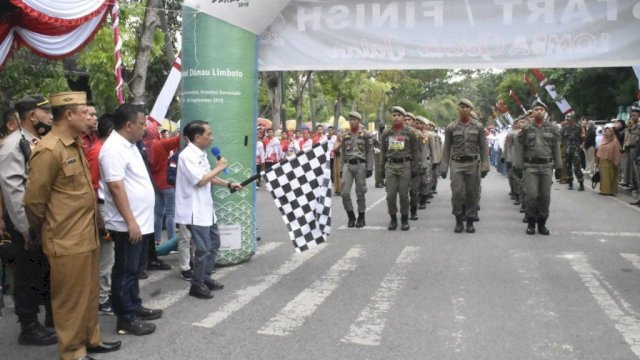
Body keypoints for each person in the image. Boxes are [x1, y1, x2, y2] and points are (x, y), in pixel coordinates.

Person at [24, 91, 121, 360]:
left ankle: (91, 338)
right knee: (69, 300)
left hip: (86, 234)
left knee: (88, 294)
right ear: (68, 115)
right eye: (84, 112)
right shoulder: (49, 150)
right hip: (65, 239)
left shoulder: (74, 144)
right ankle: (72, 352)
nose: (90, 118)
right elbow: (34, 202)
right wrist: (47, 230)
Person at [99, 103, 162, 336]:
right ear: (128, 125)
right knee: (125, 270)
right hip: (128, 224)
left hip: (140, 222)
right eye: (141, 124)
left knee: (134, 269)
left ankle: (134, 305)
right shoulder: (113, 149)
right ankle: (125, 318)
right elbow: (115, 187)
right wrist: (131, 221)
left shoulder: (130, 144)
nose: (144, 128)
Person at [0, 94, 56, 346]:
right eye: (47, 112)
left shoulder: (36, 141)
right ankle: (29, 327)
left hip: (39, 220)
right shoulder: (13, 145)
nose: (51, 117)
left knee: (41, 271)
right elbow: (14, 190)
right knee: (27, 274)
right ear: (33, 116)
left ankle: (42, 322)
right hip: (24, 223)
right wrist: (25, 228)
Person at [175, 120, 241, 299]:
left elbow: (208, 177)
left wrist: (228, 183)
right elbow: (200, 180)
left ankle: (205, 277)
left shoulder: (201, 154)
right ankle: (196, 285)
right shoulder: (186, 155)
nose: (211, 138)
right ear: (197, 137)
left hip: (206, 207)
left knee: (214, 243)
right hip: (194, 210)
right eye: (208, 134)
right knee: (203, 248)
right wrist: (220, 168)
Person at [439, 99, 489, 234]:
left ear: (471, 110)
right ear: (458, 109)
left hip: (473, 164)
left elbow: (484, 147)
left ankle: (470, 220)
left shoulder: (478, 127)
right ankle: (459, 220)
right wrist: (443, 167)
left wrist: (485, 165)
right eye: (462, 107)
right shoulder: (451, 127)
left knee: (472, 193)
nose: (464, 109)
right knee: (457, 193)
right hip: (457, 163)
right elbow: (446, 148)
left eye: (467, 107)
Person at [513, 100, 563, 235]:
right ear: (532, 112)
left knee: (545, 196)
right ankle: (531, 222)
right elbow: (520, 147)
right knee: (532, 195)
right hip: (530, 166)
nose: (539, 111)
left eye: (541, 109)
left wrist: (559, 167)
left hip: (547, 166)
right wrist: (517, 165)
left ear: (545, 112)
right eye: (536, 109)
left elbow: (556, 149)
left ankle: (542, 222)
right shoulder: (526, 129)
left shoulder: (553, 128)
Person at [85, 113, 116, 315]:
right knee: (105, 256)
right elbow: (94, 187)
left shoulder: (103, 149)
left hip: (107, 208)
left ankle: (105, 294)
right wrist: (100, 218)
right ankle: (102, 298)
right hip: (102, 209)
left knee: (108, 256)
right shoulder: (98, 152)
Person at [381, 106, 420, 231]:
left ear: (403, 117)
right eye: (394, 115)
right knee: (390, 195)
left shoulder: (410, 132)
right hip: (391, 166)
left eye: (398, 115)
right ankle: (393, 218)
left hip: (405, 165)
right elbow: (383, 152)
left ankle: (404, 218)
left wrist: (415, 167)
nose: (396, 117)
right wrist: (381, 170)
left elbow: (415, 151)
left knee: (403, 194)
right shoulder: (387, 133)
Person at [335, 111, 373, 228]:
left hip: (360, 164)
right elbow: (342, 154)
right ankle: (351, 215)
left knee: (360, 192)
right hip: (348, 165)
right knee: (344, 192)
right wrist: (341, 168)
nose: (352, 122)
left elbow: (369, 152)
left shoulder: (365, 134)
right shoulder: (346, 136)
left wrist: (369, 168)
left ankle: (361, 216)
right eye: (350, 120)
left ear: (359, 121)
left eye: (354, 120)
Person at [560, 113, 585, 190]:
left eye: (570, 119)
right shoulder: (564, 128)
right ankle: (570, 182)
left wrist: (578, 145)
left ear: (573, 119)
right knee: (568, 167)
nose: (568, 121)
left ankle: (581, 183)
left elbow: (582, 138)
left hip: (575, 150)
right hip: (567, 150)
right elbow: (561, 138)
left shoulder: (579, 127)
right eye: (567, 119)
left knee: (577, 167)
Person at [596, 124, 622, 195]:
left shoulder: (615, 142)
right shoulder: (603, 140)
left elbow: (617, 153)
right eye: (606, 131)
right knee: (604, 177)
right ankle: (604, 190)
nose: (607, 133)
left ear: (612, 132)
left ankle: (611, 191)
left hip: (611, 162)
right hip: (602, 162)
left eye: (609, 131)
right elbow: (599, 151)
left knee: (611, 176)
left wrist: (615, 162)